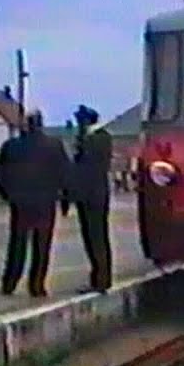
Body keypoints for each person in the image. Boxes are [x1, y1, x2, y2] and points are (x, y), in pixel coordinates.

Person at [0, 111, 70, 297]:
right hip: (45, 201)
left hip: (20, 202)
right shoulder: (54, 146)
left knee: (17, 244)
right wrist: (64, 197)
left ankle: (9, 283)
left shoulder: (12, 146)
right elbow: (65, 173)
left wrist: (7, 193)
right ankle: (37, 286)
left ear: (25, 125)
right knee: (42, 245)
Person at [67, 104, 114, 293]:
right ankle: (99, 277)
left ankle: (101, 279)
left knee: (96, 237)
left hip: (92, 195)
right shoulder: (94, 138)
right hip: (91, 194)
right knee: (93, 237)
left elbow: (85, 168)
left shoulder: (97, 139)